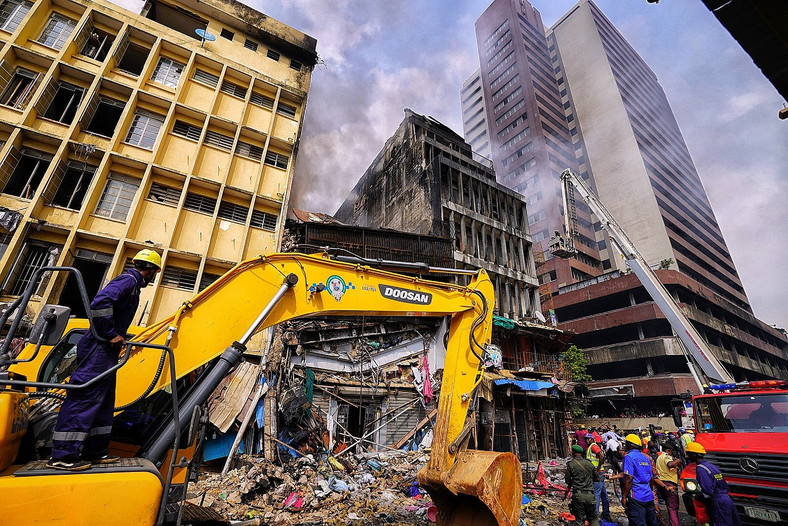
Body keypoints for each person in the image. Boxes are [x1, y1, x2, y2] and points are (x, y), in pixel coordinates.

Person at [47, 249, 162, 471]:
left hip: (106, 351)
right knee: (85, 397)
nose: (154, 276)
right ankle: (63, 455)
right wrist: (110, 334)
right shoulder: (128, 281)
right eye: (155, 272)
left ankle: (96, 451)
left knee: (104, 401)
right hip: (98, 348)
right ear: (151, 270)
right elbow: (100, 304)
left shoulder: (133, 286)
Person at [685, 442, 742, 526]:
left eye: (688, 453)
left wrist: (698, 497)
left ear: (694, 455)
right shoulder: (711, 466)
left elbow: (708, 491)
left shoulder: (700, 468)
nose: (687, 456)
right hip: (726, 499)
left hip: (717, 501)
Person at [622, 433, 658, 526]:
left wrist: (624, 496)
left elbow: (629, 478)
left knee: (638, 522)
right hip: (648, 495)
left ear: (629, 444)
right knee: (651, 522)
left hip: (636, 495)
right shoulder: (646, 458)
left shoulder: (628, 457)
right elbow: (651, 478)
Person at [565, 444, 600, 526]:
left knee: (580, 520)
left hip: (578, 495)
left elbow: (567, 481)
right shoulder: (589, 464)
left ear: (573, 453)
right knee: (593, 519)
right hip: (590, 495)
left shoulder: (571, 464)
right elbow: (597, 478)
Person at [655, 441, 681, 526]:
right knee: (673, 507)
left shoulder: (659, 457)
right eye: (671, 451)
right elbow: (670, 464)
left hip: (661, 482)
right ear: (668, 450)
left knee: (666, 505)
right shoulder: (666, 457)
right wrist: (678, 460)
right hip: (669, 483)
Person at [586, 437, 611, 521]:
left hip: (598, 472)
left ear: (592, 439)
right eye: (586, 438)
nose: (587, 440)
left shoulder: (593, 446)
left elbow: (601, 456)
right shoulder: (590, 447)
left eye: (588, 439)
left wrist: (598, 467)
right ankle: (606, 513)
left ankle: (595, 515)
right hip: (599, 472)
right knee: (603, 494)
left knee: (596, 493)